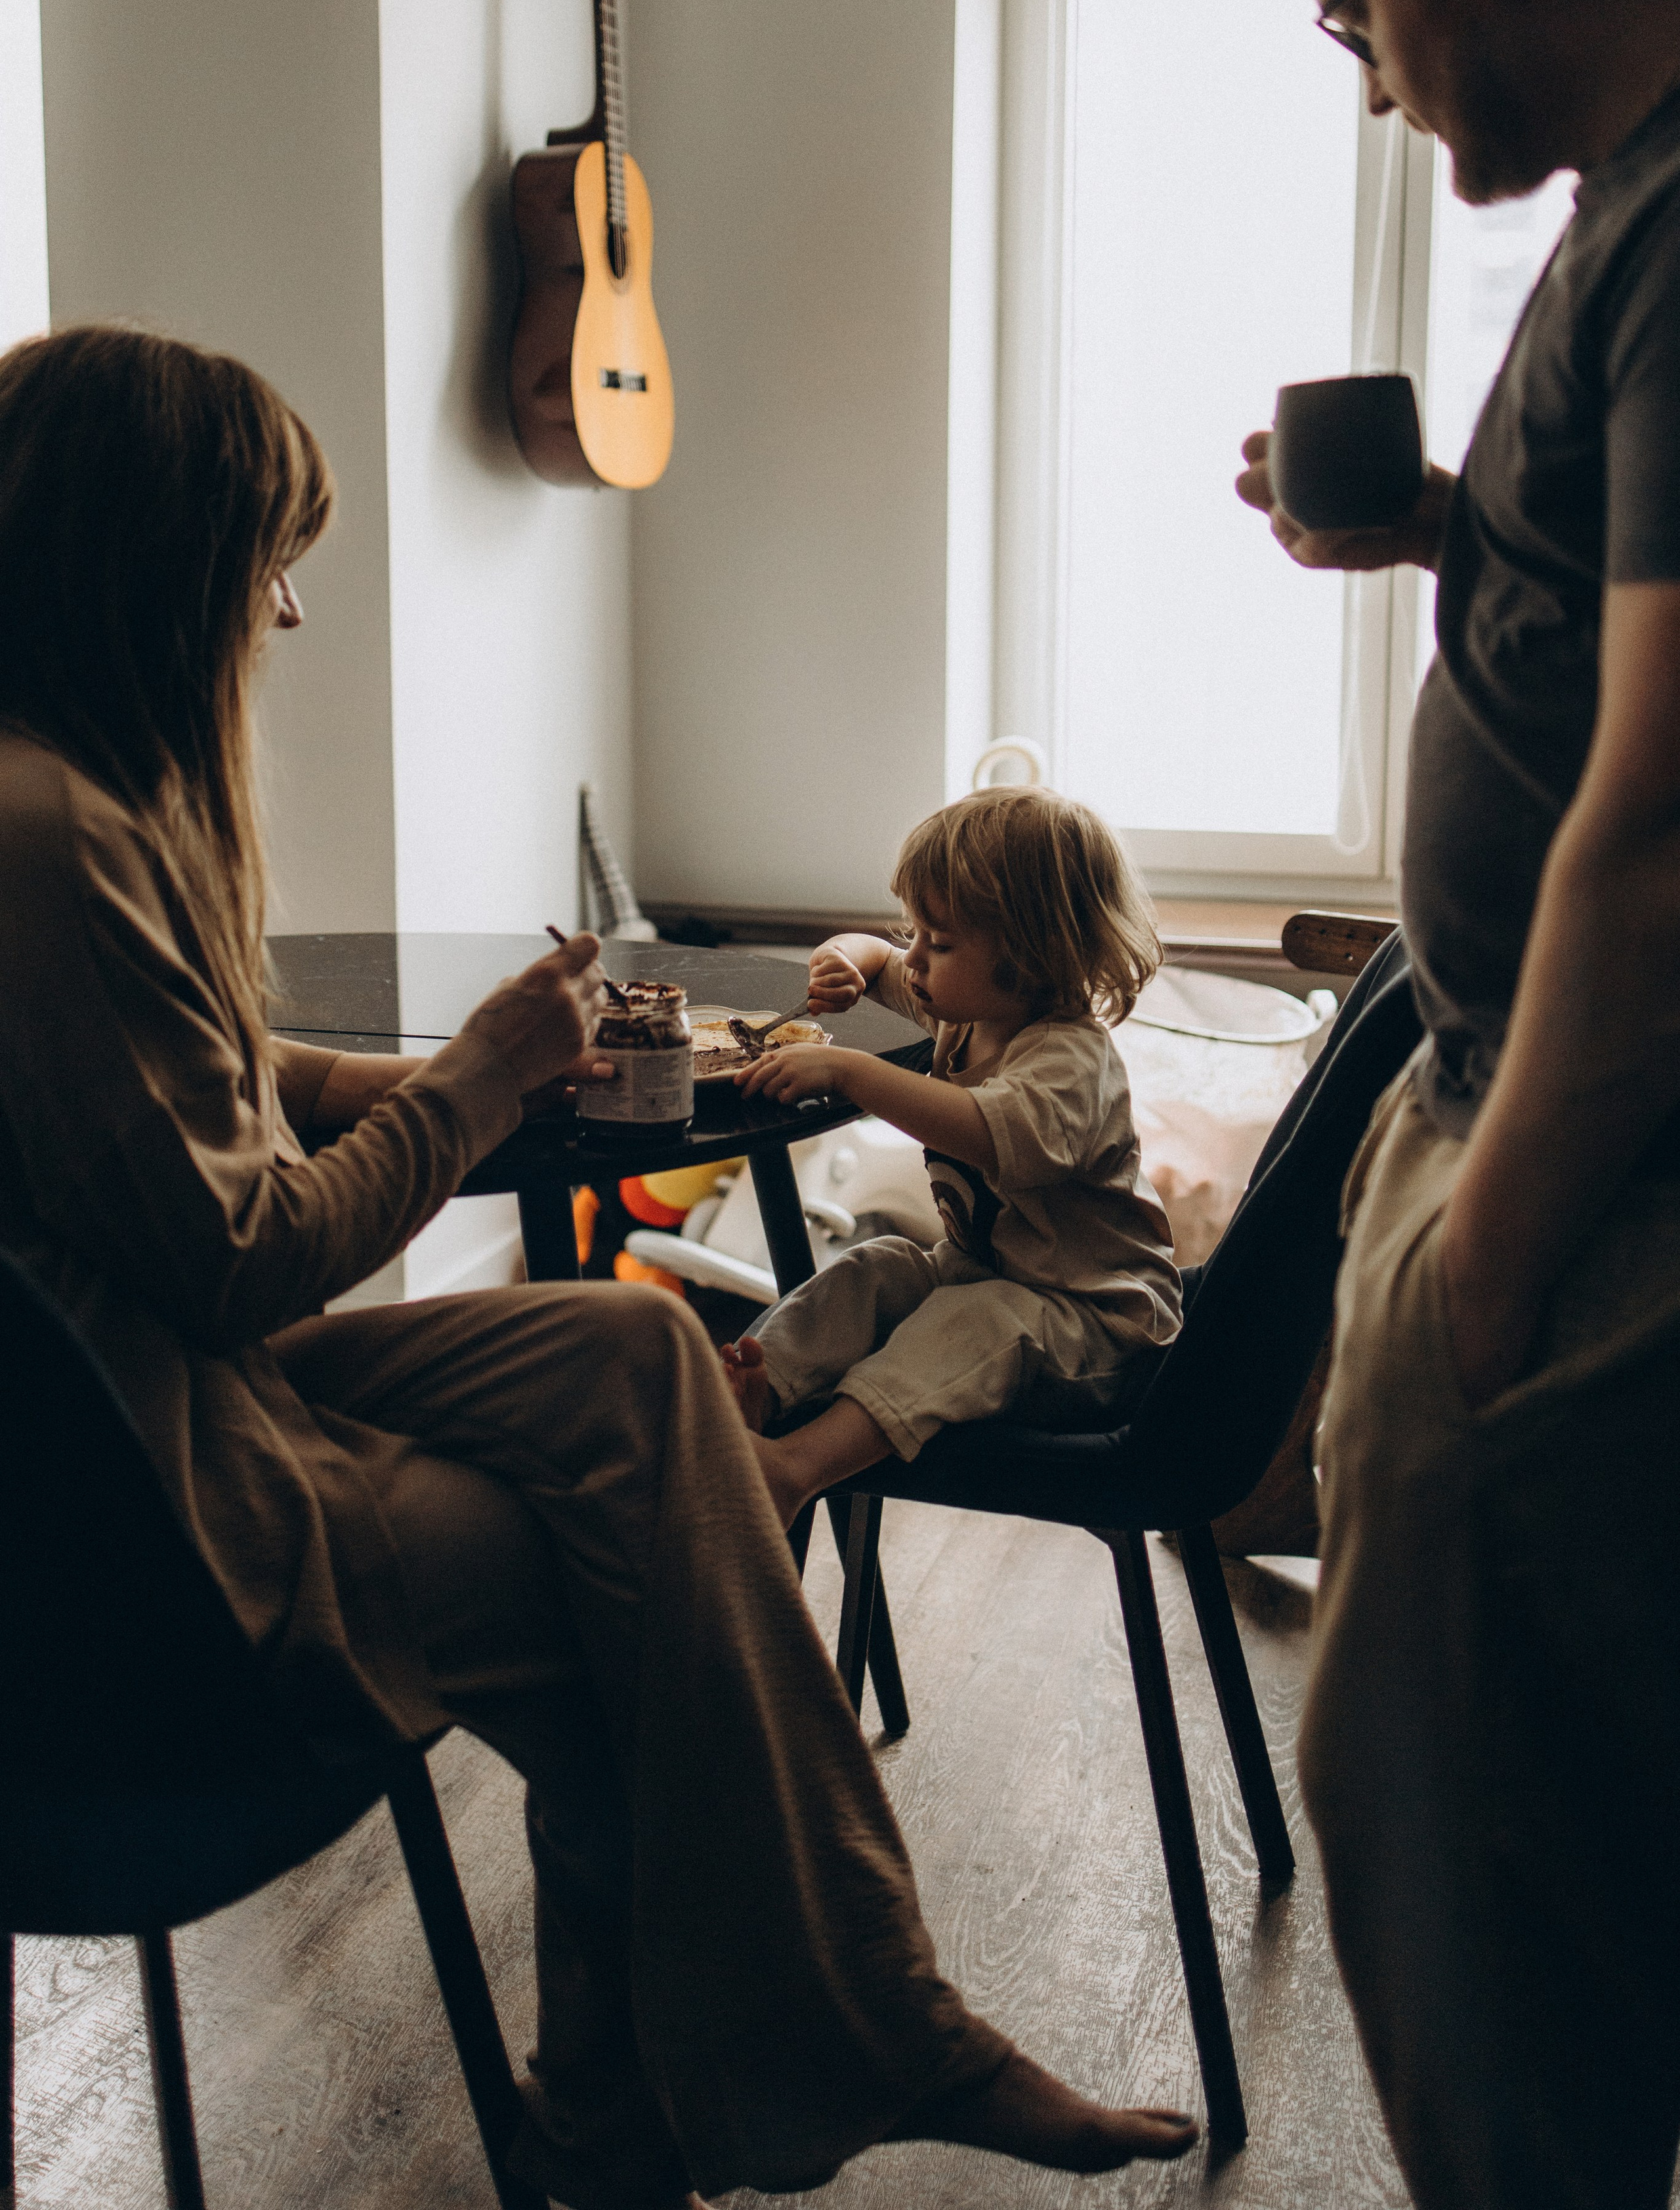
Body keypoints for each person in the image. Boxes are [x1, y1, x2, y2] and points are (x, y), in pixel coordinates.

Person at [0, 324, 1200, 2209]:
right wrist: (473, 1096)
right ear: (145, 561)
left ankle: (676, 2095)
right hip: (133, 1501)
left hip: (140, 1396)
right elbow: (248, 1260)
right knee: (625, 1571)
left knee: (637, 1364)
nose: (289, 617)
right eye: (267, 563)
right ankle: (733, 2086)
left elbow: (221, 1082)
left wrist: (428, 1076)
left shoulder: (59, 805)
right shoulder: (44, 842)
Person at [1236, 0, 1680, 2203]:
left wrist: (1484, 1254)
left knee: (1473, 1858)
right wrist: (1436, 536)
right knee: (1482, 1823)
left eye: (1342, 8)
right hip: (1532, 1133)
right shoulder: (1622, 219)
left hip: (1577, 1179)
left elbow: (1660, 817)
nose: (1363, 73)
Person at [723, 790, 1181, 1526]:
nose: (915, 960)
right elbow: (878, 961)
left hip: (1098, 1329)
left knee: (981, 1321)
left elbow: (988, 1132)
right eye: (917, 932)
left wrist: (852, 1073)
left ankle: (794, 1468)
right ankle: (749, 1398)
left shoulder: (1070, 1059)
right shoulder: (968, 1005)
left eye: (939, 942)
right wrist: (843, 957)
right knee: (878, 1267)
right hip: (985, 1278)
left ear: (1028, 956)